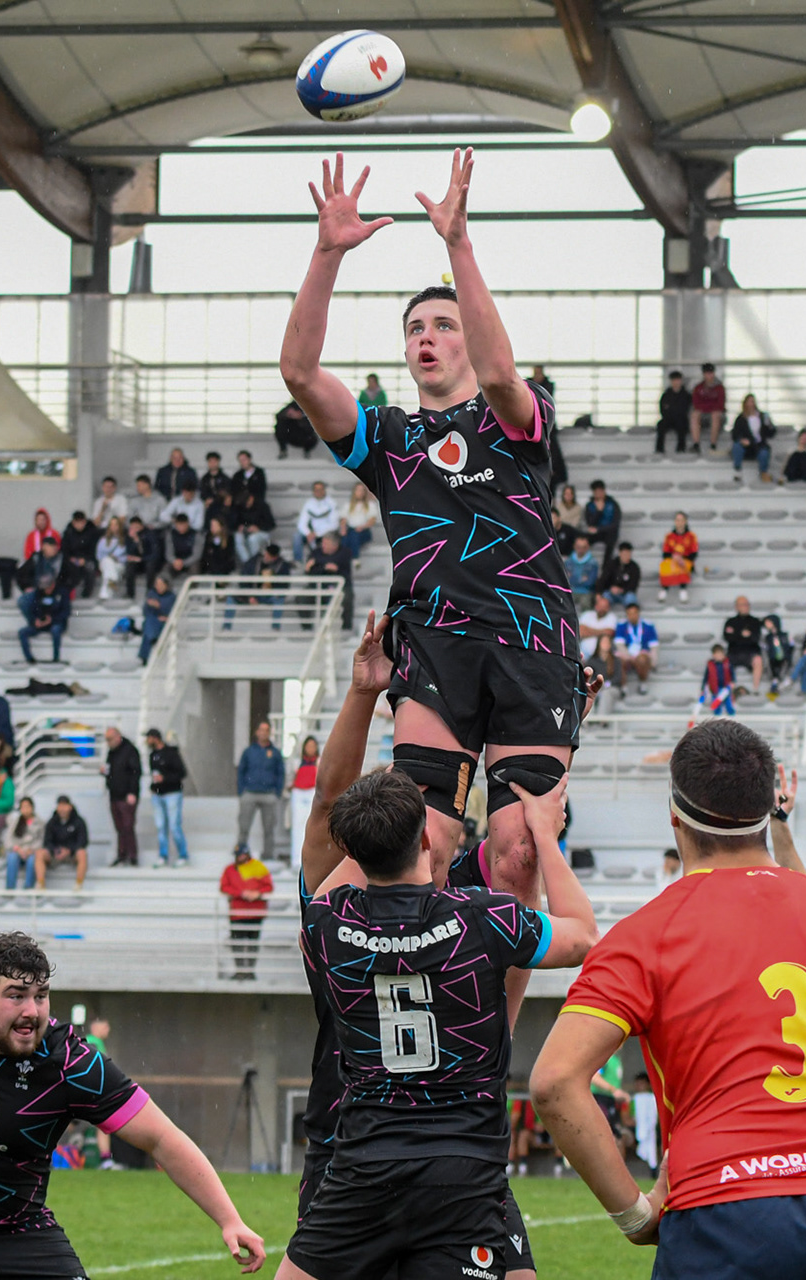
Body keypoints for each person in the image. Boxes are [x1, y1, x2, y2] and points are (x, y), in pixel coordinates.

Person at [530, 720, 806, 1276]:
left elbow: (554, 1081)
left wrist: (634, 1215)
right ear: (769, 809)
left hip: (723, 1206)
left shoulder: (646, 934)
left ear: (674, 814)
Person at [280, 150, 584, 922]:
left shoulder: (517, 415)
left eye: (444, 325)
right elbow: (300, 374)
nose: (428, 337)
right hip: (435, 645)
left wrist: (459, 244)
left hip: (532, 642)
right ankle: (393, 980)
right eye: (415, 327)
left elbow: (501, 372)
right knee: (424, 840)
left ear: (467, 340)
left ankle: (492, 1009)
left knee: (518, 853)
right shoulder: (387, 439)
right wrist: (327, 254)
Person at [284, 765, 595, 1280]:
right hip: (463, 1170)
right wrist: (545, 833)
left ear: (353, 852)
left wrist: (374, 813)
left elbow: (320, 900)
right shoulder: (482, 917)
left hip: (366, 1166)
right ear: (428, 839)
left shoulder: (327, 924)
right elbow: (583, 938)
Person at [0, 934, 263, 1277]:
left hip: (21, 1233)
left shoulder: (69, 1062)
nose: (31, 1011)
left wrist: (230, 1220)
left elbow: (161, 1138)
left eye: (41, 996)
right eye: (16, 996)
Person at [218, 845, 273, 979]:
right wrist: (241, 893)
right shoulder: (230, 870)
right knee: (237, 943)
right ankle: (240, 970)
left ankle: (250, 971)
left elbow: (268, 886)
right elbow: (224, 887)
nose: (240, 857)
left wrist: (257, 893)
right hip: (237, 913)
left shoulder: (258, 867)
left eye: (242, 855)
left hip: (255, 912)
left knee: (253, 943)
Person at [235, 721, 285, 861]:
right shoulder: (249, 751)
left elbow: (280, 773)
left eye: (266, 730)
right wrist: (241, 790)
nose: (264, 733)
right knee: (244, 826)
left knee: (269, 828)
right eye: (261, 730)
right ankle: (241, 853)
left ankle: (268, 855)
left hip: (269, 794)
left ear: (270, 732)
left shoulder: (275, 753)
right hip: (250, 793)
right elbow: (241, 771)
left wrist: (277, 792)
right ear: (257, 732)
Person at [143, 728, 189, 867]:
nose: (147, 741)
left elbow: (182, 773)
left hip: (172, 793)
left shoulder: (171, 753)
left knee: (174, 825)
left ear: (155, 738)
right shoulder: (153, 755)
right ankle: (163, 855)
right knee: (160, 826)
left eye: (149, 738)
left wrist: (165, 778)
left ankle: (183, 855)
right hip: (158, 794)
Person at [102, 726, 142, 867]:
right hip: (114, 795)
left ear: (118, 736)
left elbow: (136, 773)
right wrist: (104, 772)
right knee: (119, 827)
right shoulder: (111, 753)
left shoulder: (130, 750)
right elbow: (110, 770)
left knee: (128, 826)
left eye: (110, 739)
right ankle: (121, 854)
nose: (108, 742)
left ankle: (132, 856)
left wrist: (132, 792)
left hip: (126, 796)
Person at [43, 794, 91, 890]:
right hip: (56, 854)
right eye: (60, 806)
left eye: (64, 805)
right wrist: (56, 850)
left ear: (70, 806)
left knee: (82, 853)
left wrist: (69, 850)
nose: (62, 809)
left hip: (72, 854)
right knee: (40, 853)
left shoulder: (79, 821)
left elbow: (83, 841)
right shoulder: (52, 822)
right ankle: (40, 885)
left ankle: (78, 884)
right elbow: (47, 842)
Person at [612, 601, 658, 697]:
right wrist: (629, 657)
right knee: (618, 660)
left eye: (634, 613)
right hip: (626, 654)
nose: (632, 616)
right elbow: (619, 645)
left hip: (642, 654)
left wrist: (653, 662)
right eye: (629, 614)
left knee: (642, 659)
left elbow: (654, 646)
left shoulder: (648, 625)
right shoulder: (621, 625)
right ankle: (623, 687)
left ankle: (643, 682)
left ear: (638, 613)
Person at [722, 595, 766, 695]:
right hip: (734, 653)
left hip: (750, 652)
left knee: (758, 660)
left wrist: (736, 634)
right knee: (724, 663)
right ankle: (730, 690)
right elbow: (727, 638)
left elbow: (755, 638)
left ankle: (755, 689)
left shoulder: (755, 621)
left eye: (747, 604)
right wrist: (742, 635)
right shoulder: (730, 621)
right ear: (736, 607)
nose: (745, 607)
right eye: (742, 605)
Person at [730, 393, 776, 481]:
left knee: (764, 453)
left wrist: (769, 424)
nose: (751, 404)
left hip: (759, 445)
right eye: (749, 402)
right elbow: (735, 434)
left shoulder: (762, 416)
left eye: (753, 401)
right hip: (746, 446)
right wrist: (742, 440)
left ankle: (763, 473)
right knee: (737, 446)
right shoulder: (741, 418)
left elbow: (771, 433)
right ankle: (737, 470)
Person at [289, 736, 320, 863]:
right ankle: (296, 859)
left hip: (313, 792)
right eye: (308, 746)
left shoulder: (320, 762)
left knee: (312, 826)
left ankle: (311, 860)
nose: (310, 749)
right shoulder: (297, 762)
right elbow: (290, 777)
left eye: (313, 746)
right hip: (298, 793)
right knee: (298, 826)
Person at [659, 512, 697, 604]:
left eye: (681, 520)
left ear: (685, 522)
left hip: (685, 560)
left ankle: (683, 590)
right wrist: (674, 557)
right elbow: (665, 553)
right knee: (665, 565)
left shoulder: (691, 536)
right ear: (675, 522)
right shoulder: (669, 536)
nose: (679, 522)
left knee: (682, 565)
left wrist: (682, 558)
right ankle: (664, 590)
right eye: (677, 520)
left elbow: (694, 553)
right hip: (672, 560)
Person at [691, 361, 726, 452]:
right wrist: (709, 407)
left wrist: (706, 407)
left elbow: (720, 405)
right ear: (703, 374)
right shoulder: (698, 388)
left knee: (715, 415)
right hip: (704, 415)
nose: (709, 376)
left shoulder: (720, 388)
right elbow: (696, 404)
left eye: (711, 373)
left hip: (717, 416)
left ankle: (713, 444)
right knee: (695, 415)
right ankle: (696, 444)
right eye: (707, 373)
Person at [655, 368, 690, 454]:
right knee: (661, 425)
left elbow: (687, 409)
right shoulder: (666, 395)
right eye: (674, 380)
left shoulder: (686, 395)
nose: (676, 383)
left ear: (681, 381)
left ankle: (681, 449)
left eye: (677, 380)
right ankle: (659, 449)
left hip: (681, 419)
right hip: (669, 419)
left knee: (682, 425)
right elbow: (662, 409)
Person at [340, 480, 378, 559]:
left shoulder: (370, 505)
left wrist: (362, 527)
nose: (360, 493)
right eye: (358, 490)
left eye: (362, 490)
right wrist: (343, 529)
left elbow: (372, 520)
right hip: (351, 530)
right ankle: (345, 559)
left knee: (354, 536)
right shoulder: (348, 505)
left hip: (364, 531)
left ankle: (355, 558)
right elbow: (343, 519)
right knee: (345, 539)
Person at [597, 540, 641, 608]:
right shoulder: (611, 564)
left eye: (628, 554)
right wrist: (600, 592)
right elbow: (603, 579)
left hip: (625, 593)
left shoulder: (634, 567)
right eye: (624, 554)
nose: (627, 556)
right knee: (604, 598)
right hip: (611, 592)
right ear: (620, 553)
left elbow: (634, 585)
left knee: (631, 598)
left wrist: (621, 590)